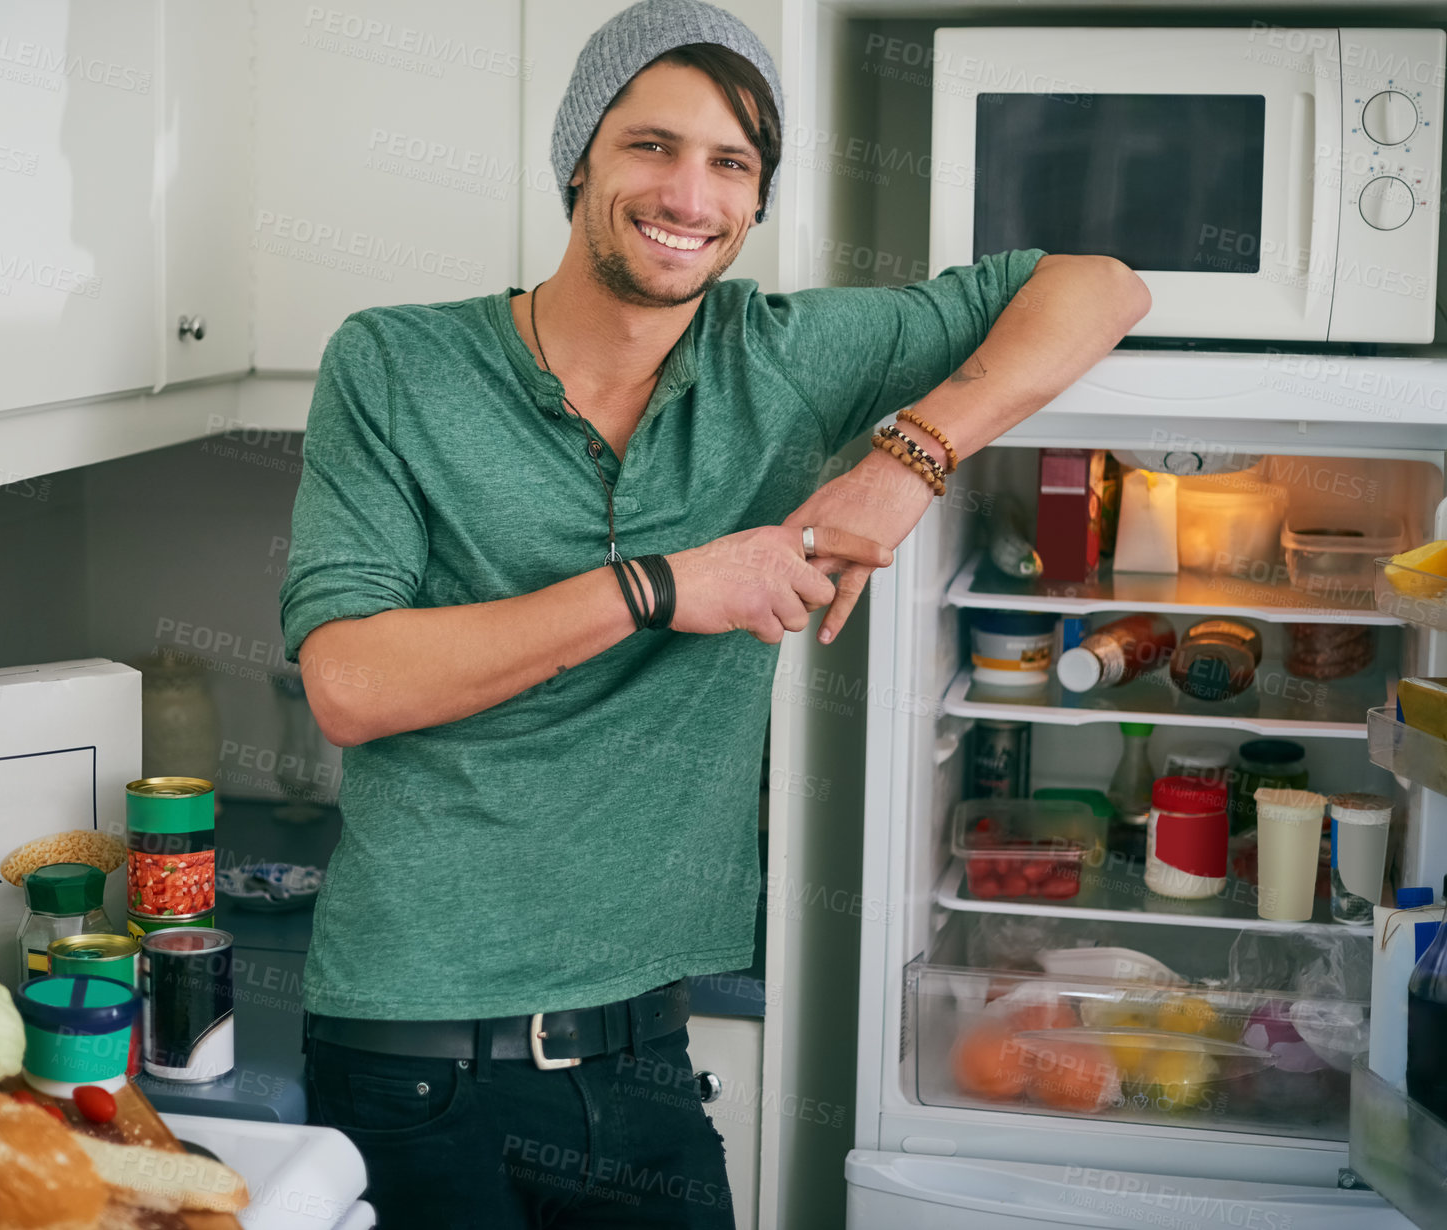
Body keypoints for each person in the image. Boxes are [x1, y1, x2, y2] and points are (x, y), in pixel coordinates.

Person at [278, 1, 1149, 1224]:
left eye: (730, 164)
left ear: (754, 200)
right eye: (651, 146)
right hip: (410, 1059)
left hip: (640, 1060)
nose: (688, 193)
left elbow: (1097, 284)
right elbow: (351, 686)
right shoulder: (395, 364)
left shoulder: (781, 356)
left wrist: (904, 461)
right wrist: (663, 586)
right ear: (579, 158)